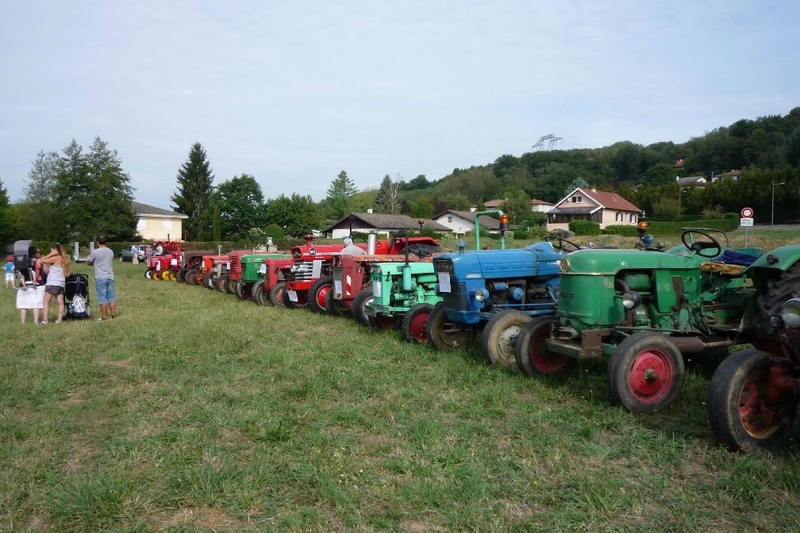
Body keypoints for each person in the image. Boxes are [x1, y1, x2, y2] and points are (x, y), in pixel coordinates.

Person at [40, 243, 71, 324]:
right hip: (61, 284)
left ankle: (45, 320)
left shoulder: (56, 258)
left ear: (56, 250)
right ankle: (59, 320)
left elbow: (41, 261)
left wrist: (50, 254)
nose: (51, 251)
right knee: (60, 302)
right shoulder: (64, 259)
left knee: (46, 302)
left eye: (52, 250)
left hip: (52, 283)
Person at [86, 235, 116, 321]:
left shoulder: (95, 252)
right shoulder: (111, 251)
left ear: (97, 242)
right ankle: (113, 315)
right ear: (105, 242)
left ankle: (104, 317)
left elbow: (89, 262)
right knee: (111, 297)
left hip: (100, 276)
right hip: (110, 276)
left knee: (102, 297)